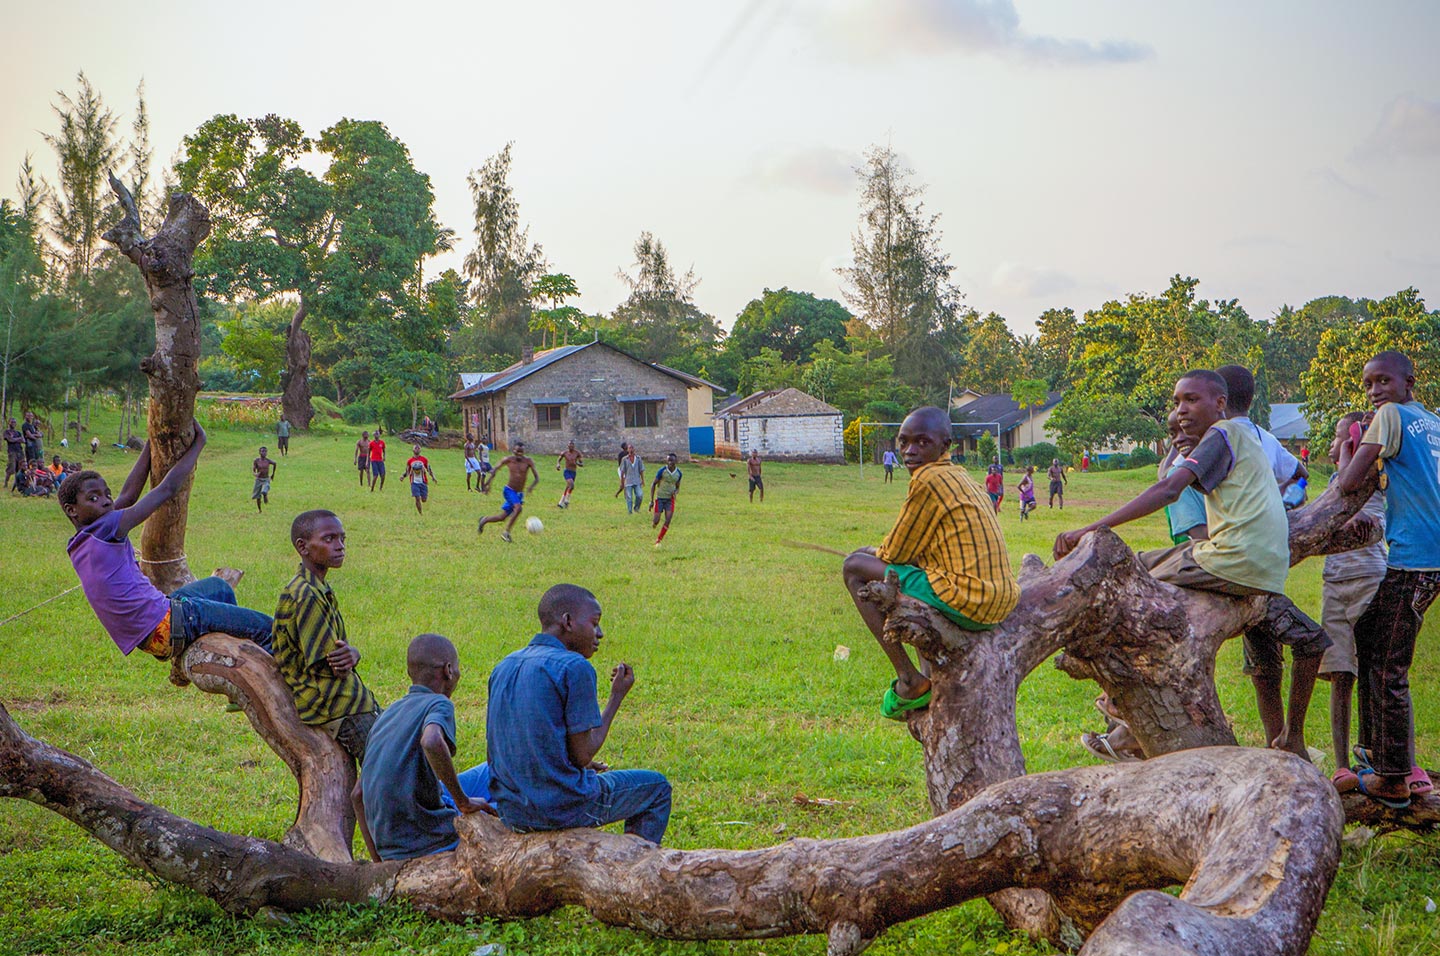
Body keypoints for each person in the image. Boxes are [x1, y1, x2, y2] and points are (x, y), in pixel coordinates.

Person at [1054, 370, 1330, 761]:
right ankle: (1291, 739)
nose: (1182, 411)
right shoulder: (1249, 437)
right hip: (1268, 572)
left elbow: (1168, 490)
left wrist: (1089, 528)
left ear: (1220, 403)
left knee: (1122, 572)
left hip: (1231, 561)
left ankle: (1118, 700)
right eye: (1177, 402)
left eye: (1191, 400)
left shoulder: (1222, 434)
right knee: (1303, 642)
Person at [843, 407, 1020, 719]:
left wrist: (871, 552)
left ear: (945, 445)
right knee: (869, 559)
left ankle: (909, 680)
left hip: (968, 600)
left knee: (854, 566)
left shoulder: (928, 479)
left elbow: (894, 552)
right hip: (999, 600)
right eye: (904, 442)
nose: (910, 451)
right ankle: (923, 670)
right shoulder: (958, 475)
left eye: (922, 442)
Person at [58, 423, 274, 662]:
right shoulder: (106, 527)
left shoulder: (81, 541)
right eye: (93, 498)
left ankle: (225, 653)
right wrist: (199, 443)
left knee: (219, 588)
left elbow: (128, 495)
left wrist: (153, 444)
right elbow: (167, 489)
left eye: (107, 494)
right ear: (72, 510)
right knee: (269, 630)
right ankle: (259, 677)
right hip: (169, 624)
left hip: (153, 632)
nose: (106, 501)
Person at [486, 584, 671, 844]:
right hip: (561, 808)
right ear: (568, 622)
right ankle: (634, 866)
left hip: (512, 810)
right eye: (594, 623)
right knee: (657, 788)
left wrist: (565, 762)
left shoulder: (504, 665)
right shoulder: (575, 667)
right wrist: (616, 696)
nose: (600, 634)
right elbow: (583, 753)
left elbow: (512, 744)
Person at [1335, 350, 1440, 808]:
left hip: (1415, 557)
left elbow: (1347, 482)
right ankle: (1377, 753)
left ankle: (1394, 778)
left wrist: (1345, 450)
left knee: (1389, 663)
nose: (1375, 391)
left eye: (1383, 381)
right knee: (1369, 632)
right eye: (1369, 384)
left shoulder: (1390, 416)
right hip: (1429, 555)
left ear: (1407, 382)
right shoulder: (1432, 421)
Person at [356, 634, 495, 861]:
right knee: (509, 806)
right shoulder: (438, 703)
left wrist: (379, 865)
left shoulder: (389, 713)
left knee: (492, 769)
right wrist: (464, 802)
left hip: (395, 844)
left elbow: (358, 794)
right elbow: (431, 741)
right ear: (449, 671)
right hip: (429, 838)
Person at [273, 510, 380, 772]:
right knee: (389, 766)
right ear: (303, 547)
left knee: (401, 743)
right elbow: (334, 665)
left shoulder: (316, 587)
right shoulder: (306, 594)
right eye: (329, 539)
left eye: (342, 538)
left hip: (347, 701)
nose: (340, 546)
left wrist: (353, 654)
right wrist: (350, 656)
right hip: (335, 707)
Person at [1319, 413, 1390, 797]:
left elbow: (1362, 524)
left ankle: (1376, 758)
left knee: (1373, 674)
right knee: (1340, 674)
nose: (1331, 448)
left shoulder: (1375, 484)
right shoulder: (1333, 485)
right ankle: (1341, 764)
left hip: (1369, 580)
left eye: (1337, 440)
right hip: (1335, 585)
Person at [1215, 365, 1308, 494]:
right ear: (1251, 398)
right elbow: (1301, 474)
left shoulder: (1214, 437)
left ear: (1219, 401)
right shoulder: (1267, 439)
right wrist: (1280, 494)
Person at [478, 442, 539, 542]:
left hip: (519, 494)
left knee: (502, 517)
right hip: (509, 491)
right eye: (517, 451)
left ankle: (484, 520)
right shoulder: (508, 460)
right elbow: (495, 470)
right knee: (518, 508)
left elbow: (537, 478)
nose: (519, 453)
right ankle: (506, 533)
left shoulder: (528, 461)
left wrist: (531, 487)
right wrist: (488, 484)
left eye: (521, 451)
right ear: (513, 451)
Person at [650, 453, 682, 545]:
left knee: (668, 520)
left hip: (669, 500)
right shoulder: (662, 471)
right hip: (660, 498)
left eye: (672, 460)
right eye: (668, 460)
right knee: (656, 521)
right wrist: (651, 501)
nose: (670, 462)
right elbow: (653, 484)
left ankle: (658, 540)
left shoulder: (678, 473)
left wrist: (675, 492)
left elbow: (678, 487)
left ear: (676, 461)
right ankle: (654, 524)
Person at [406, 445, 436, 515]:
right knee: (417, 498)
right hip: (414, 482)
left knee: (424, 499)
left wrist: (433, 477)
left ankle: (423, 500)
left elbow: (429, 469)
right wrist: (403, 476)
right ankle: (420, 514)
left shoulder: (424, 460)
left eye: (418, 448)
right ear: (413, 450)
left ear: (420, 450)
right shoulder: (410, 461)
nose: (417, 449)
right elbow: (407, 471)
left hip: (423, 482)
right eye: (415, 448)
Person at [616, 445, 644, 515]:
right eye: (629, 448)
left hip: (637, 480)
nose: (631, 450)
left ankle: (636, 508)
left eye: (632, 448)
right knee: (629, 497)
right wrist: (622, 482)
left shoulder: (638, 458)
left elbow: (641, 470)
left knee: (639, 495)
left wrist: (643, 480)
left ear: (634, 449)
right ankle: (629, 511)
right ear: (628, 450)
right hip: (628, 481)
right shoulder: (625, 459)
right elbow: (622, 471)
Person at [556, 441, 583, 509]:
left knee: (568, 487)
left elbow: (581, 463)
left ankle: (561, 502)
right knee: (571, 485)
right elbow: (559, 460)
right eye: (569, 445)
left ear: (574, 446)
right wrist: (558, 465)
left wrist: (578, 463)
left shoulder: (577, 453)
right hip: (567, 471)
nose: (571, 446)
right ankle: (566, 501)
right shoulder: (564, 453)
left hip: (573, 472)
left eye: (572, 445)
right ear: (567, 446)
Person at [252, 446, 277, 513]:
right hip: (259, 479)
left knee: (265, 488)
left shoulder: (268, 461)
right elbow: (253, 470)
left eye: (265, 451)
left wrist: (273, 474)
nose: (264, 453)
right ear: (259, 452)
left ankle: (265, 494)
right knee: (257, 496)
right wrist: (255, 474)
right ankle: (259, 510)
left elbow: (275, 463)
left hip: (266, 478)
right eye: (262, 451)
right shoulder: (256, 461)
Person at [4, 418, 22, 490]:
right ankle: (6, 482)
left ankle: (16, 484)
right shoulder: (6, 432)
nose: (13, 423)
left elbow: (23, 440)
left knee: (19, 468)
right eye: (12, 422)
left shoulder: (18, 432)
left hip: (20, 451)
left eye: (14, 422)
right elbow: (10, 440)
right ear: (9, 423)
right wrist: (18, 439)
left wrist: (14, 439)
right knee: (11, 468)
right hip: (12, 452)